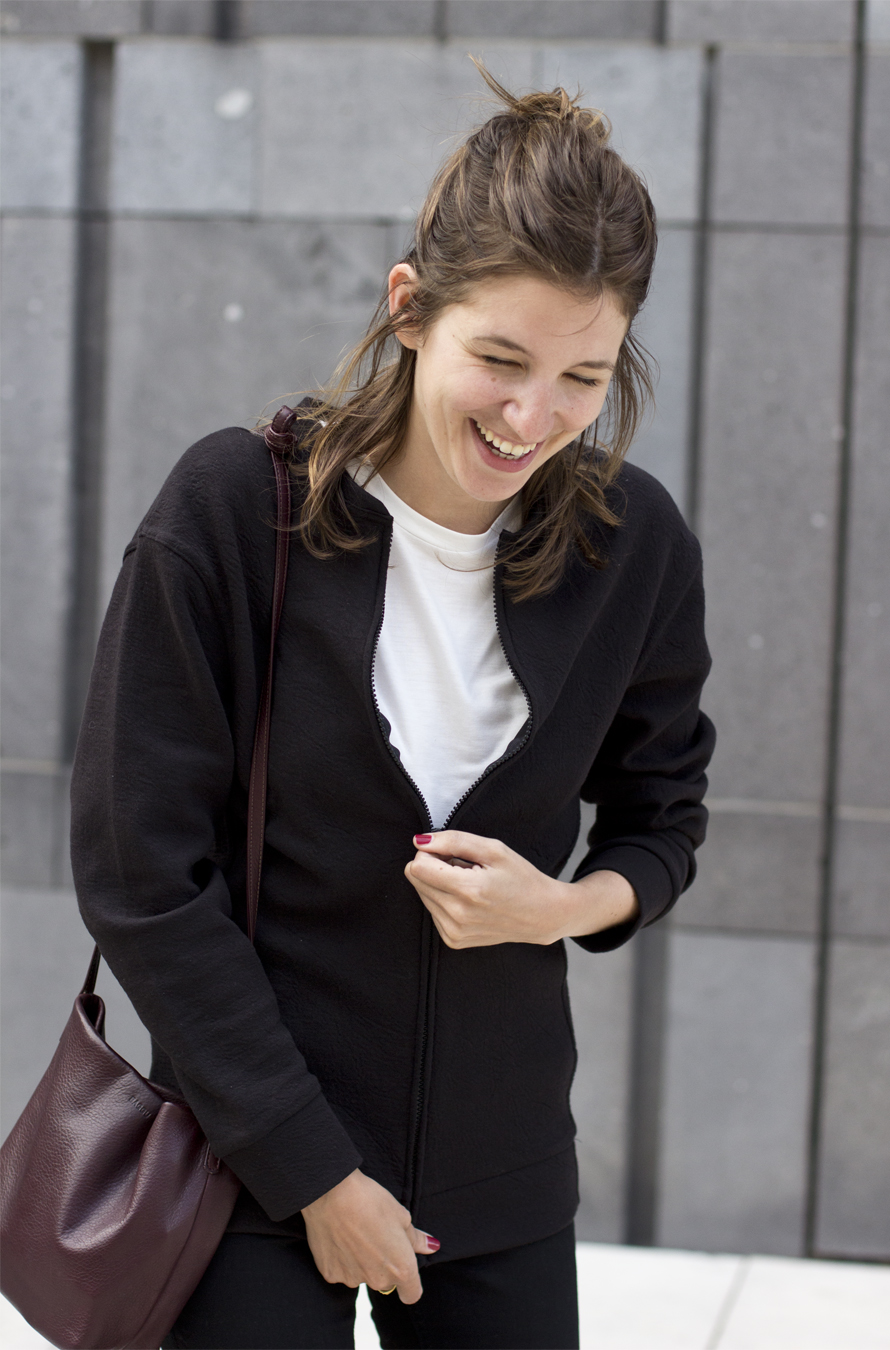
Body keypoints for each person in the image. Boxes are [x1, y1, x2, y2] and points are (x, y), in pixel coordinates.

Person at [71, 68, 714, 1350]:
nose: (534, 418)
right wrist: (312, 1170)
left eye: (584, 377)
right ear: (411, 309)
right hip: (247, 1155)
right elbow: (143, 873)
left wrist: (562, 906)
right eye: (501, 359)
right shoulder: (233, 512)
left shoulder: (631, 548)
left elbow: (664, 818)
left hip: (503, 1159)